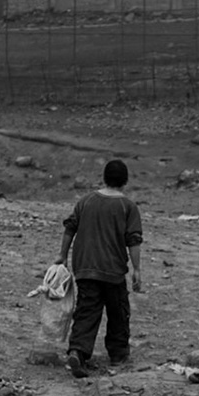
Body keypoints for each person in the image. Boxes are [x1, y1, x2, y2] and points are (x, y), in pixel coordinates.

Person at [57, 159, 143, 378]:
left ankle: (78, 351)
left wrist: (62, 256)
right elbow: (133, 240)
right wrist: (137, 269)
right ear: (125, 181)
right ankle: (118, 355)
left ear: (104, 178)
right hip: (113, 270)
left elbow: (70, 228)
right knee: (118, 313)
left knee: (87, 310)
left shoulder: (85, 201)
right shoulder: (128, 207)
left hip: (84, 267)